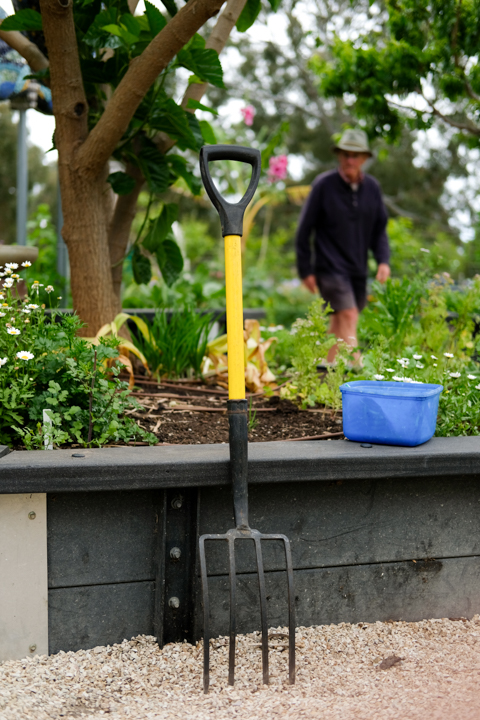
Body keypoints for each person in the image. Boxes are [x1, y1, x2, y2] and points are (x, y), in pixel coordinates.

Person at [295, 128, 390, 362]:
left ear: (364, 158)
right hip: (329, 267)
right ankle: (358, 370)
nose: (350, 160)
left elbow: (379, 230)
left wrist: (383, 261)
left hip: (357, 269)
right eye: (346, 154)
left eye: (355, 155)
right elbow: (304, 229)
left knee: (339, 322)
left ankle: (326, 372)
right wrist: (305, 270)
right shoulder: (324, 185)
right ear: (339, 155)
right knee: (349, 315)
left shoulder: (372, 189)